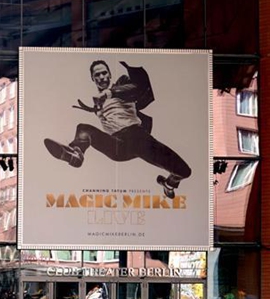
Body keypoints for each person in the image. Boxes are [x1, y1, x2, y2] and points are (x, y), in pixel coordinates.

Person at [43, 59, 191, 198]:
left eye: (104, 73)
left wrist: (109, 93)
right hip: (117, 147)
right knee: (83, 129)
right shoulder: (98, 103)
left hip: (138, 139)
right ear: (93, 79)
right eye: (97, 75)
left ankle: (168, 184)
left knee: (184, 171)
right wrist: (93, 109)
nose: (101, 77)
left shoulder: (122, 85)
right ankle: (75, 154)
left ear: (109, 74)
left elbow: (136, 87)